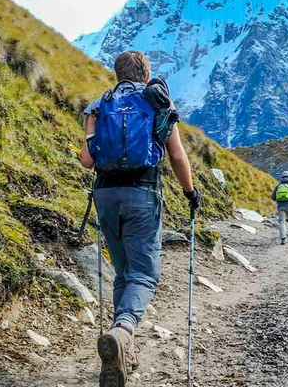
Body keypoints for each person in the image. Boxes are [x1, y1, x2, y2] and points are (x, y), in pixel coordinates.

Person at [78, 50, 201, 387]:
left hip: (105, 196)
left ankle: (123, 353)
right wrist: (190, 193)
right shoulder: (156, 102)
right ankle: (123, 330)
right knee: (145, 275)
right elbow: (176, 155)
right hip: (141, 194)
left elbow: (87, 161)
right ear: (146, 75)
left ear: (117, 74)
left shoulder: (98, 105)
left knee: (123, 272)